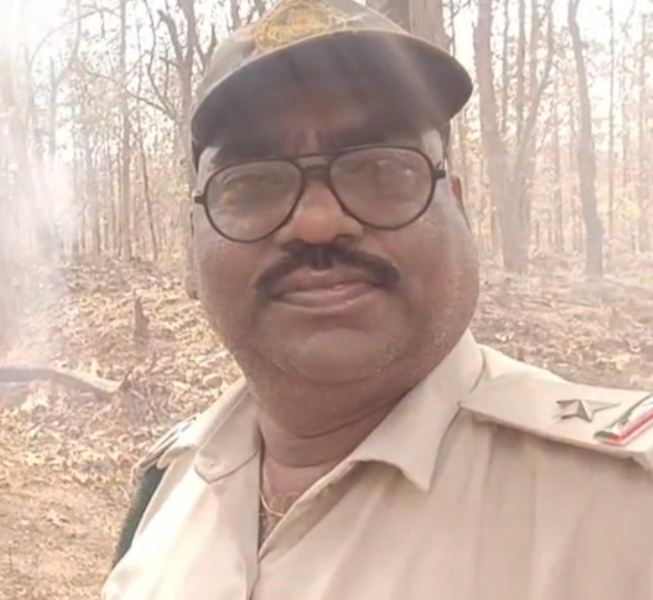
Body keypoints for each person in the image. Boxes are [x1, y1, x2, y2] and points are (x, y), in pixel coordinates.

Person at [103, 0, 653, 598]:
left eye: (383, 170)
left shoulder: (623, 510)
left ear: (459, 208)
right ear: (194, 242)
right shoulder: (165, 494)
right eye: (252, 183)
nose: (317, 223)